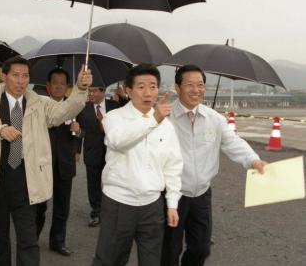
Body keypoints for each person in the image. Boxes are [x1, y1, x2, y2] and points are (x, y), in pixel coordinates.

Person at [0, 56, 92, 266]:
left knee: (28, 240)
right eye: (15, 75)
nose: (21, 80)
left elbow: (63, 112)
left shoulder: (39, 103)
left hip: (27, 181)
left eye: (25, 76)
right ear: (5, 77)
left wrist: (80, 89)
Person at [161, 64, 267, 266]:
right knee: (169, 249)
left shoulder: (214, 119)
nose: (196, 90)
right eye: (189, 85)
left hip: (201, 194)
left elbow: (233, 142)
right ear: (177, 87)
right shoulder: (165, 118)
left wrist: (253, 160)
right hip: (172, 194)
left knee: (201, 248)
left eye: (200, 85)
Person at [91, 65, 183, 266]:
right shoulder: (114, 118)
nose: (148, 93)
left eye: (153, 86)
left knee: (152, 261)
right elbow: (119, 141)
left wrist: (172, 203)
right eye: (141, 87)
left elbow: (173, 166)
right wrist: (154, 120)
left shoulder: (167, 126)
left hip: (152, 205)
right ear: (128, 90)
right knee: (109, 260)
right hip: (119, 203)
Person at [35, 68, 81, 256]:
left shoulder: (74, 107)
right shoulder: (39, 107)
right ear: (48, 86)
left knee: (62, 206)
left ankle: (58, 241)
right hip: (42, 165)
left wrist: (77, 131)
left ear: (68, 88)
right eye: (55, 83)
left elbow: (82, 133)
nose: (59, 86)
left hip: (64, 165)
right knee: (38, 206)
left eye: (63, 83)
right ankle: (32, 239)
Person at [75, 85, 120, 227]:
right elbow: (81, 131)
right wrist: (77, 149)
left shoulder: (115, 105)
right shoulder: (83, 108)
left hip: (112, 153)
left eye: (94, 90)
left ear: (103, 91)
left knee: (111, 183)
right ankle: (96, 212)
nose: (91, 93)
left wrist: (123, 96)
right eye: (89, 90)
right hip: (92, 151)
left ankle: (111, 212)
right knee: (93, 184)